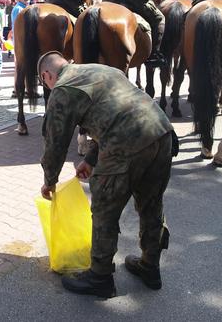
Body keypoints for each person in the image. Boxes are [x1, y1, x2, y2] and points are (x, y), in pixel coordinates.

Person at [38, 51, 174, 298]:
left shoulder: (62, 89)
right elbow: (119, 111)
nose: (48, 86)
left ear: (47, 75)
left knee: (104, 209)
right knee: (151, 204)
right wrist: (90, 160)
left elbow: (55, 143)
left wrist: (50, 180)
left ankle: (99, 277)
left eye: (44, 82)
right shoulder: (103, 69)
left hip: (126, 143)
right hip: (161, 132)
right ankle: (150, 266)